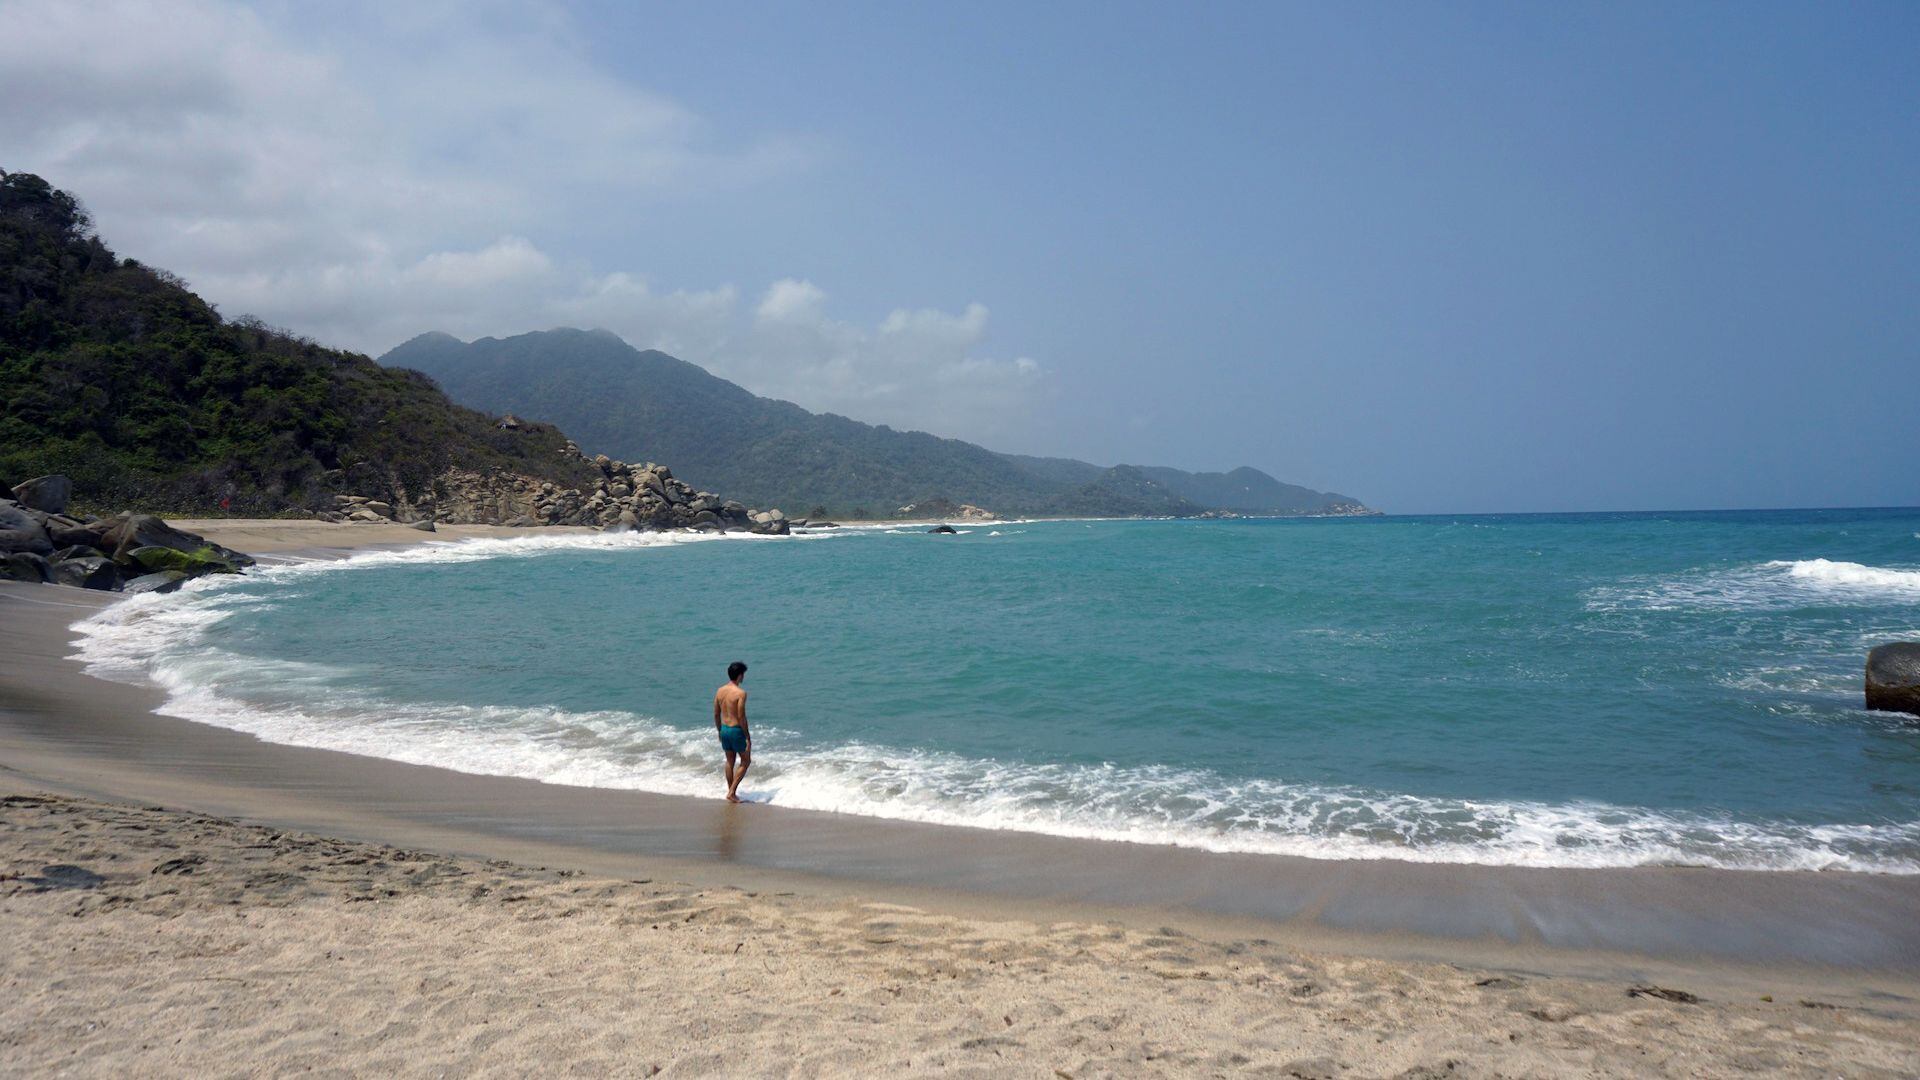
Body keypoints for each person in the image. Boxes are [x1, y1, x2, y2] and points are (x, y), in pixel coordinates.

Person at [713, 661, 751, 803]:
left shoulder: (720, 691)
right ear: (739, 675)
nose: (743, 677)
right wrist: (747, 737)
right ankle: (731, 792)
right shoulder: (740, 693)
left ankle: (731, 792)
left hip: (724, 729)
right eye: (743, 674)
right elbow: (741, 716)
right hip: (736, 730)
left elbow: (716, 714)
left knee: (730, 760)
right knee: (746, 761)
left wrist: (719, 730)